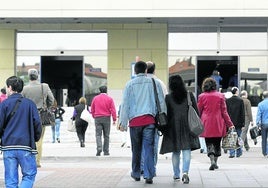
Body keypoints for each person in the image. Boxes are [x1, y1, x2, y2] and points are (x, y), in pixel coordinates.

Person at [118, 61, 166, 184]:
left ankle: (136, 173)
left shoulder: (129, 84)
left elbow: (125, 105)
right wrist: (163, 117)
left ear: (135, 71)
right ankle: (149, 174)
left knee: (136, 149)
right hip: (150, 121)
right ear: (145, 70)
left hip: (134, 122)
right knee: (149, 148)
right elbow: (161, 102)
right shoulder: (154, 83)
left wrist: (122, 123)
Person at [0, 76, 42, 187]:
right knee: (29, 175)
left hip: (8, 146)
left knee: (10, 180)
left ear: (9, 87)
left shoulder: (4, 104)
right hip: (26, 145)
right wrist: (35, 138)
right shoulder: (30, 104)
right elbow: (37, 124)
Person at [160, 75, 200, 184]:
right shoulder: (189, 95)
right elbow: (196, 112)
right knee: (186, 150)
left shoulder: (168, 98)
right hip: (187, 127)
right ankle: (185, 172)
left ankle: (176, 174)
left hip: (173, 127)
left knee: (175, 151)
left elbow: (166, 115)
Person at [198, 77, 234, 170]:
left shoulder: (201, 96)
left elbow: (199, 110)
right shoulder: (220, 96)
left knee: (209, 142)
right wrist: (230, 124)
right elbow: (224, 112)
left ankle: (212, 160)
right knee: (217, 143)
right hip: (218, 122)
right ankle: (216, 162)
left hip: (206, 122)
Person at [21, 68, 54, 168]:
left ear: (29, 76)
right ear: (37, 76)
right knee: (39, 139)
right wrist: (46, 107)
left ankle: (28, 160)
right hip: (41, 115)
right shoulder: (44, 86)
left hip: (28, 116)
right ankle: (37, 161)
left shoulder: (24, 88)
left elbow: (21, 102)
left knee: (28, 138)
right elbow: (51, 100)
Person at [140, 61, 168, 175]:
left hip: (139, 118)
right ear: (154, 70)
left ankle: (142, 167)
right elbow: (164, 100)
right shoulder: (160, 83)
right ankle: (152, 168)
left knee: (141, 144)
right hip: (154, 118)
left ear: (145, 70)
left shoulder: (138, 82)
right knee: (153, 144)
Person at [91, 85, 117, 156]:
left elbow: (92, 109)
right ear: (106, 90)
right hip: (106, 118)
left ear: (100, 91)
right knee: (106, 135)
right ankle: (106, 151)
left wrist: (94, 116)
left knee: (98, 134)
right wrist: (114, 119)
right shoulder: (110, 99)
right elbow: (113, 109)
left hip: (97, 118)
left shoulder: (95, 98)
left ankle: (99, 148)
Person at [226, 87, 245, 158]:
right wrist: (243, 123)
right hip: (239, 122)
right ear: (236, 92)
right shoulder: (240, 100)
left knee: (231, 137)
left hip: (230, 123)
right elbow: (242, 113)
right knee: (238, 137)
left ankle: (232, 153)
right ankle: (239, 152)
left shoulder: (228, 101)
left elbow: (226, 112)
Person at [256, 91, 268, 157]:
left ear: (263, 96)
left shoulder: (260, 104)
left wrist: (258, 124)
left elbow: (258, 115)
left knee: (264, 139)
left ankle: (264, 152)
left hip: (264, 124)